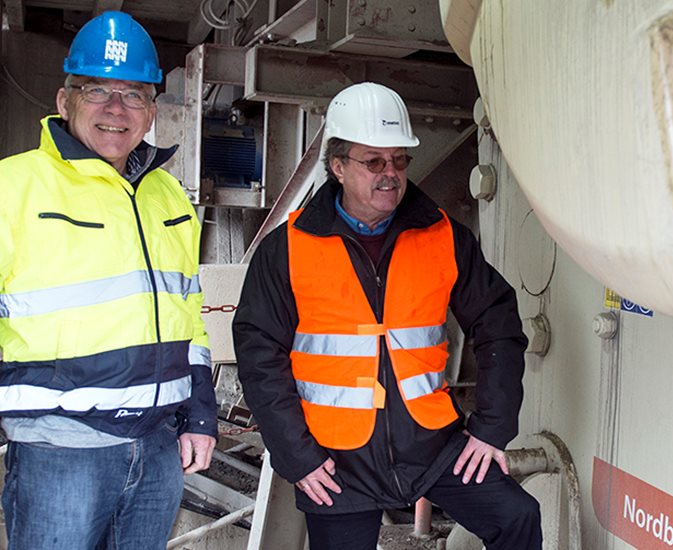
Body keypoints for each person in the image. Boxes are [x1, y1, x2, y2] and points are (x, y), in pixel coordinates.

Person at [233, 81, 542, 549]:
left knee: (517, 517)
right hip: (336, 460)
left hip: (432, 446)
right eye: (373, 161)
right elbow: (259, 356)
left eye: (399, 159)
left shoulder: (442, 236)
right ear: (337, 166)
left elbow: (498, 322)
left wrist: (492, 428)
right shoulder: (288, 248)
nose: (390, 173)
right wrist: (298, 457)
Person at [0, 11, 217, 549]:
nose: (116, 109)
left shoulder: (168, 198)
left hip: (159, 446)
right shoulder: (14, 188)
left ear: (151, 113)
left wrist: (201, 415)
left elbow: (188, 315)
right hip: (58, 451)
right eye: (97, 90)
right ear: (64, 100)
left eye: (134, 95)